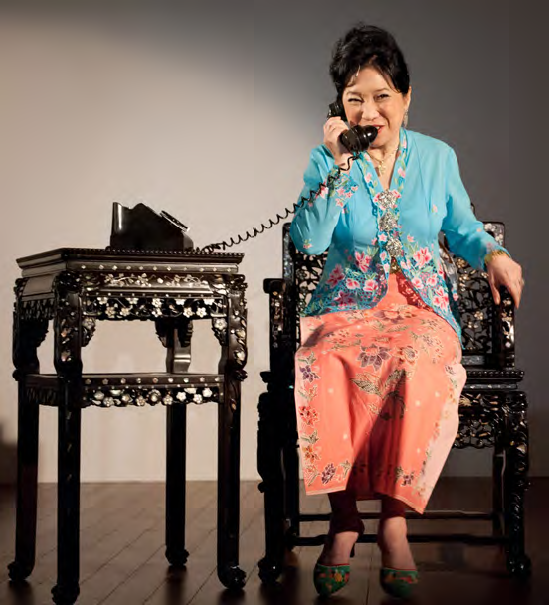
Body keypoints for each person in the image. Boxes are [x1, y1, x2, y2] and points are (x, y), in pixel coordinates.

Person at [290, 23, 523, 599]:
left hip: (420, 309)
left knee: (417, 361)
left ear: (406, 100)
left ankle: (394, 519)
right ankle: (344, 519)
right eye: (354, 99)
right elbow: (311, 241)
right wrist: (339, 163)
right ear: (339, 106)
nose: (369, 111)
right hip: (345, 304)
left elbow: (464, 229)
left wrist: (494, 254)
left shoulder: (437, 158)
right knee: (323, 360)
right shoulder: (329, 161)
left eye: (381, 96)